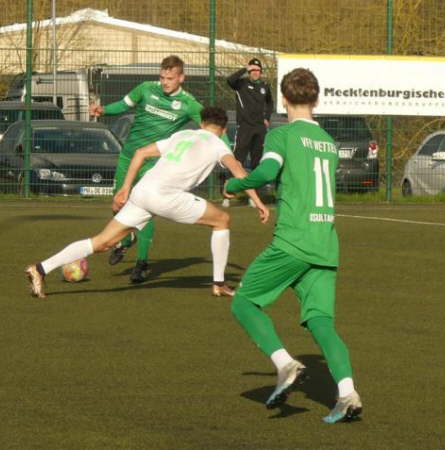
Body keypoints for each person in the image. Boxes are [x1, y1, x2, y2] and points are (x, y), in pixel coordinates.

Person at [223, 68, 362, 424]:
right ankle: (347, 392)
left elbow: (267, 173)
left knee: (244, 302)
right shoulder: (328, 142)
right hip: (325, 245)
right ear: (316, 100)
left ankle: (285, 364)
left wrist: (236, 186)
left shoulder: (282, 136)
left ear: (283, 100)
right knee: (321, 322)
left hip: (293, 240)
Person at [26, 107, 269, 299]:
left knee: (102, 242)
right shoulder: (218, 144)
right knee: (222, 220)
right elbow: (239, 171)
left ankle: (40, 268)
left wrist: (125, 187)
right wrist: (257, 201)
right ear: (223, 129)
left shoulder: (182, 134)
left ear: (201, 123)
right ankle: (219, 284)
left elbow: (141, 152)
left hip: (142, 192)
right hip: (166, 196)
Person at [89, 55, 204, 284]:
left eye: (170, 78)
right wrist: (103, 110)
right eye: (162, 77)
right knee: (118, 203)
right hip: (128, 156)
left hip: (153, 163)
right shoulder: (145, 89)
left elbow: (210, 126)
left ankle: (141, 263)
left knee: (145, 205)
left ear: (182, 78)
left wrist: (224, 149)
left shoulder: (189, 103)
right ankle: (127, 238)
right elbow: (123, 105)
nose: (165, 82)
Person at [224, 57, 274, 208]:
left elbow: (270, 103)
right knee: (237, 161)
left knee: (257, 163)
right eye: (253, 70)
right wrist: (245, 69)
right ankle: (227, 194)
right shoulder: (241, 84)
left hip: (259, 128)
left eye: (258, 70)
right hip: (245, 127)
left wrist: (266, 117)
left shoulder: (265, 86)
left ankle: (254, 196)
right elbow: (230, 80)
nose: (255, 73)